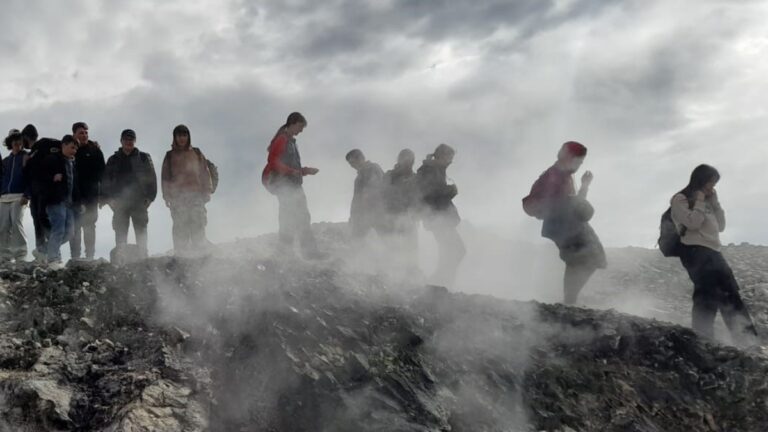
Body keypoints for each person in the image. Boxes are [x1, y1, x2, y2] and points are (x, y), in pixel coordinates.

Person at [670, 164, 758, 346]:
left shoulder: (709, 201)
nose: (712, 187)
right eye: (710, 182)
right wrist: (700, 201)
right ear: (700, 180)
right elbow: (693, 223)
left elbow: (722, 226)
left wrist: (715, 203)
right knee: (706, 295)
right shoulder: (680, 199)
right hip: (694, 251)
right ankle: (703, 341)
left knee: (731, 293)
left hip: (714, 251)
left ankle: (748, 342)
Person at [522, 141, 606, 305]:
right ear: (569, 157)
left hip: (568, 224)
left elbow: (574, 204)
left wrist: (584, 186)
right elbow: (550, 202)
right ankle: (569, 302)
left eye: (581, 162)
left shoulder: (565, 176)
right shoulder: (554, 175)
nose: (580, 165)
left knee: (583, 257)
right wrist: (571, 201)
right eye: (579, 161)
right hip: (562, 224)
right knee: (587, 256)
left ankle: (569, 301)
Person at [261, 112, 324, 259]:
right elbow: (273, 161)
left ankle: (287, 253)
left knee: (294, 217)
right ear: (293, 123)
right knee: (295, 217)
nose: (301, 131)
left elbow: (287, 165)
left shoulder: (289, 141)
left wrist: (304, 171)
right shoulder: (282, 140)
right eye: (300, 127)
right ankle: (302, 253)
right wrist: (296, 172)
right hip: (287, 186)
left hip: (291, 185)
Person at [102, 129, 157, 259]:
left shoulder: (144, 157)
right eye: (126, 139)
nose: (128, 142)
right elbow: (105, 180)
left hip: (139, 201)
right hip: (119, 201)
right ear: (121, 141)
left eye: (131, 139)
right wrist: (109, 199)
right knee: (120, 230)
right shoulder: (113, 159)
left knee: (141, 229)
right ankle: (121, 258)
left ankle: (143, 257)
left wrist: (150, 197)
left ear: (135, 141)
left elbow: (152, 178)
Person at [416, 144, 465, 287]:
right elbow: (427, 194)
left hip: (439, 218)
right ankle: (439, 283)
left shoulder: (436, 169)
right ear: (440, 155)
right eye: (449, 158)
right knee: (456, 250)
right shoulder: (428, 170)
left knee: (451, 251)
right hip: (437, 218)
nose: (450, 162)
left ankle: (441, 284)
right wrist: (450, 191)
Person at [161, 124, 212, 255]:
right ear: (175, 137)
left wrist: (207, 191)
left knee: (198, 224)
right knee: (180, 227)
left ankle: (200, 256)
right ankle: (181, 257)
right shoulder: (170, 155)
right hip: (178, 198)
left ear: (188, 136)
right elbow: (165, 177)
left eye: (184, 135)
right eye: (179, 135)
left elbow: (205, 172)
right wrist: (167, 196)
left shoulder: (197, 152)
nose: (182, 138)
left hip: (196, 196)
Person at [22, 124, 59, 262]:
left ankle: (53, 253)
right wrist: (25, 164)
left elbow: (65, 144)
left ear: (26, 137)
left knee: (44, 219)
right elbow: (28, 175)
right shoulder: (30, 154)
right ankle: (41, 252)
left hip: (45, 191)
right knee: (37, 221)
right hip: (34, 194)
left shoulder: (44, 143)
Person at [43, 136, 80, 269]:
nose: (74, 150)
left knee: (70, 232)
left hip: (69, 203)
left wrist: (78, 201)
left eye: (76, 148)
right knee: (58, 229)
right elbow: (40, 176)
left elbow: (75, 184)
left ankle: (46, 249)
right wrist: (52, 178)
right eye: (72, 147)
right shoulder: (53, 159)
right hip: (55, 200)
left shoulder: (73, 163)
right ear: (63, 145)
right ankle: (53, 258)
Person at [70, 122, 105, 260]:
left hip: (91, 195)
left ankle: (90, 255)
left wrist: (103, 195)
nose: (84, 135)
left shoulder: (95, 150)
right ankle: (75, 256)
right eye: (80, 133)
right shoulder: (70, 150)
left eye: (85, 132)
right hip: (74, 195)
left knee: (90, 225)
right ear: (74, 134)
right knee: (74, 227)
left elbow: (103, 174)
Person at [381, 149, 420, 272]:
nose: (407, 162)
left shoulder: (415, 177)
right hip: (392, 217)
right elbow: (383, 192)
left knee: (410, 248)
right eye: (404, 159)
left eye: (410, 160)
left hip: (409, 219)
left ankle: (410, 274)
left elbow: (418, 198)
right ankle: (391, 274)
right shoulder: (389, 175)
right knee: (393, 246)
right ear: (399, 160)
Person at [0, 131, 30, 262]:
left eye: (20, 142)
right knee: (3, 225)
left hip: (19, 196)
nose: (17, 144)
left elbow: (31, 177)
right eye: (15, 141)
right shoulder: (5, 161)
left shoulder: (26, 157)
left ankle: (20, 254)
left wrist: (27, 194)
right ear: (10, 143)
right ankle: (4, 255)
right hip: (4, 196)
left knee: (16, 223)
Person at [346, 149, 385, 239]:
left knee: (387, 238)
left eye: (352, 162)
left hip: (376, 212)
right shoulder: (359, 176)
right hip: (363, 215)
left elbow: (377, 188)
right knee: (357, 240)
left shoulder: (373, 168)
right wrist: (353, 215)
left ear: (360, 158)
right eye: (350, 164)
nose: (352, 166)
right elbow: (356, 198)